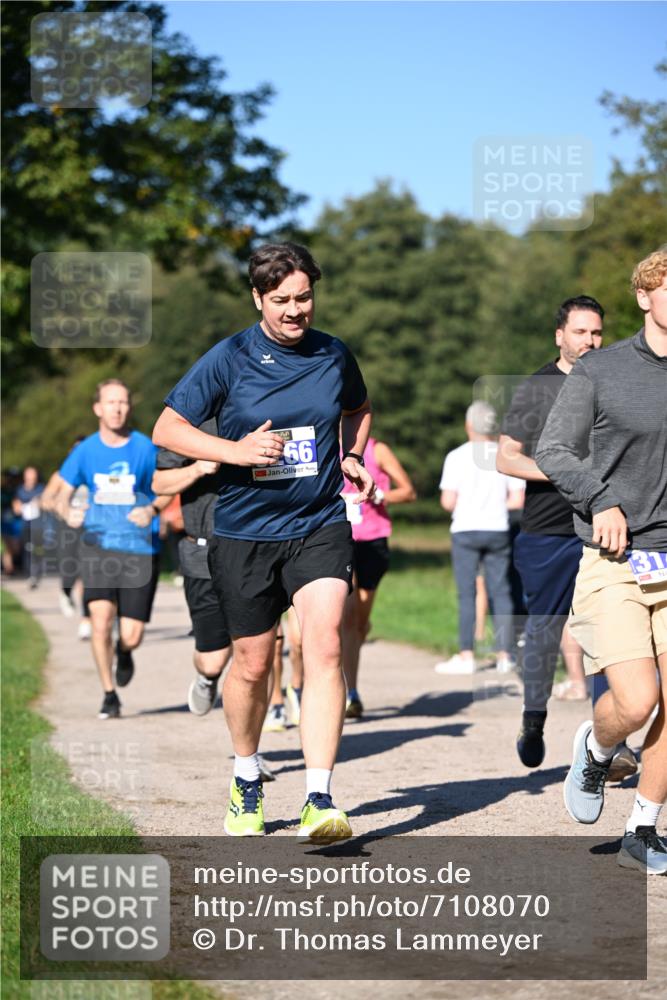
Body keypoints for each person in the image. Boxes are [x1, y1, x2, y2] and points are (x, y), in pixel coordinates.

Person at [152, 241, 374, 843]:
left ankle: (319, 796)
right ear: (257, 298)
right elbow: (167, 427)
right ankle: (246, 775)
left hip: (320, 523)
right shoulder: (229, 358)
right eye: (281, 301)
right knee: (253, 663)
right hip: (244, 533)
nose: (295, 311)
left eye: (304, 298)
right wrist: (235, 452)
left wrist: (351, 455)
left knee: (325, 645)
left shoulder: (333, 353)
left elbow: (358, 408)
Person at [536, 247, 667, 875]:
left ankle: (643, 826)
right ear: (644, 296)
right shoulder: (601, 371)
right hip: (616, 556)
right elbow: (555, 450)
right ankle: (598, 744)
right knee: (637, 700)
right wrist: (602, 500)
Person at [497, 296, 609, 767]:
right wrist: (567, 472)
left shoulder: (612, 382)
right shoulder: (538, 388)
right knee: (546, 630)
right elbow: (506, 457)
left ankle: (611, 738)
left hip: (606, 526)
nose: (589, 341)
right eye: (580, 332)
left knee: (609, 632)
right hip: (548, 531)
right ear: (560, 335)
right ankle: (534, 717)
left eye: (597, 333)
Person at [152, 422, 275, 783]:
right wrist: (199, 466)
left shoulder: (264, 416)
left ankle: (251, 752)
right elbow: (158, 485)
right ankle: (207, 678)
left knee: (259, 657)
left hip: (257, 552)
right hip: (201, 553)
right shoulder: (190, 426)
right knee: (214, 658)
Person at [56, 379, 169, 720]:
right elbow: (57, 492)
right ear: (98, 408)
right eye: (110, 402)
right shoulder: (85, 451)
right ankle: (109, 694)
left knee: (131, 635)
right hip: (99, 547)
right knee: (101, 621)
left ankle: (125, 651)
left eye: (122, 402)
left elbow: (167, 487)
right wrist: (66, 510)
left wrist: (152, 509)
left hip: (139, 549)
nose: (117, 408)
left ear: (129, 407)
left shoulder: (145, 448)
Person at [435, 401, 524, 675]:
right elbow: (517, 499)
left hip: (465, 530)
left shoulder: (456, 457)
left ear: (468, 425)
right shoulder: (504, 454)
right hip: (497, 528)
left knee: (467, 593)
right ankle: (505, 655)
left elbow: (448, 501)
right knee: (501, 591)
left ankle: (466, 655)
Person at [341, 436, 416, 718]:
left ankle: (350, 663)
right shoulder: (323, 444)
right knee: (348, 620)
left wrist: (379, 495)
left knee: (359, 623)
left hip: (372, 541)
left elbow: (408, 491)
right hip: (339, 539)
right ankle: (351, 692)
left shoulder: (378, 449)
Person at [13, 466, 45, 587]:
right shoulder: (20, 490)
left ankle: (38, 571)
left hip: (39, 524)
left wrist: (39, 503)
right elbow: (15, 507)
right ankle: (30, 574)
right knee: (27, 549)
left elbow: (46, 503)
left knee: (37, 549)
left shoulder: (41, 489)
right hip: (25, 523)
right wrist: (19, 507)